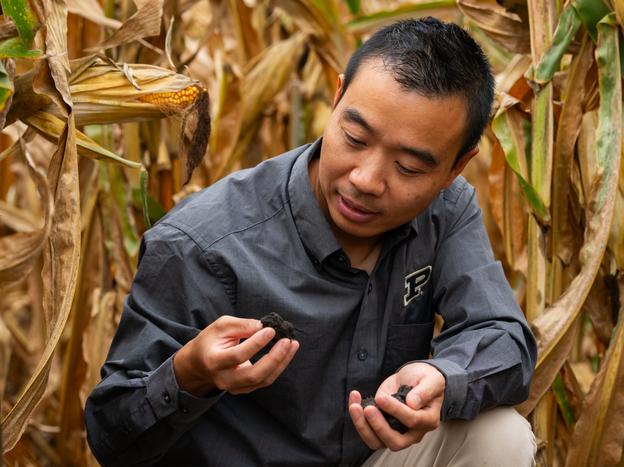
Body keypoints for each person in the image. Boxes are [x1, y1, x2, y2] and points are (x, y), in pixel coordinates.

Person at [85, 17, 538, 466]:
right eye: (355, 138)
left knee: (501, 438)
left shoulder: (447, 209)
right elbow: (110, 436)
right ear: (337, 96)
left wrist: (442, 376)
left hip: (374, 458)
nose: (366, 180)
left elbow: (504, 339)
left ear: (456, 168)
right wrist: (190, 373)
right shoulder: (203, 243)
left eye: (409, 168)